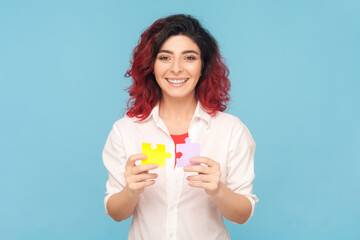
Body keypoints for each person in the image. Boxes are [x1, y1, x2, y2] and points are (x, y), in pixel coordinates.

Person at [103, 14, 258, 240]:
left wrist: (218, 190)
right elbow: (116, 213)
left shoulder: (230, 131)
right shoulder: (126, 130)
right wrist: (131, 191)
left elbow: (242, 215)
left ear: (203, 65)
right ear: (151, 65)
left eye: (189, 58)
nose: (176, 69)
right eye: (165, 57)